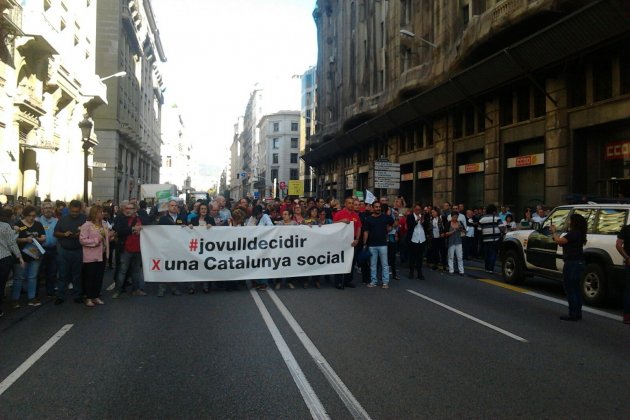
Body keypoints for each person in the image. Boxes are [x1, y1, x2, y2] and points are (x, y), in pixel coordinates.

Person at [551, 214, 587, 321]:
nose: (568, 222)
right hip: (579, 262)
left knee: (570, 289)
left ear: (573, 222)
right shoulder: (579, 234)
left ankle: (573, 313)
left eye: (570, 220)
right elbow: (563, 243)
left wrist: (554, 231)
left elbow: (560, 241)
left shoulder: (572, 234)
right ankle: (577, 313)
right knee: (576, 289)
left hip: (572, 263)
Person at [11, 205, 46, 308]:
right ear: (24, 216)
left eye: (34, 216)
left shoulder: (38, 225)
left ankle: (31, 297)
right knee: (18, 277)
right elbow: (13, 239)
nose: (32, 218)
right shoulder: (18, 225)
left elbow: (43, 237)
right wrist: (25, 240)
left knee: (32, 277)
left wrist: (37, 239)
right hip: (20, 255)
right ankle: (15, 299)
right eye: (29, 216)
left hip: (34, 255)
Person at [79, 205, 109, 307]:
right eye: (101, 212)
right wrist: (96, 241)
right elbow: (82, 240)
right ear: (95, 214)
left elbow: (105, 237)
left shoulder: (104, 224)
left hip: (102, 253)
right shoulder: (86, 225)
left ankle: (96, 296)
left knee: (99, 276)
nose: (103, 214)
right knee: (90, 276)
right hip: (91, 255)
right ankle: (88, 297)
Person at [157, 200, 184, 297]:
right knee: (164, 267)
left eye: (176, 206)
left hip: (177, 247)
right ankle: (162, 288)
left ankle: (174, 287)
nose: (174, 207)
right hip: (166, 247)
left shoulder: (182, 218)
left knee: (175, 267)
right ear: (168, 207)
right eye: (172, 205)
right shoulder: (163, 219)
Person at [363, 201, 393, 289]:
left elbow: (393, 223)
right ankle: (373, 281)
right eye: (376, 207)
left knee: (385, 264)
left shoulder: (385, 217)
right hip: (372, 245)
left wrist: (390, 228)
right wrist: (364, 243)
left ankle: (385, 282)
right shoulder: (368, 219)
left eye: (379, 207)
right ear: (372, 208)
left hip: (383, 244)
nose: (378, 208)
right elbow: (366, 232)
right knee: (373, 265)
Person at [0, 209, 25, 316]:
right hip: (4, 258)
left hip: (4, 258)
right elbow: (12, 243)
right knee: (1, 283)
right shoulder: (4, 226)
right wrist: (20, 257)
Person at [333, 197, 361, 289]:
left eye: (352, 203)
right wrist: (342, 221)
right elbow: (333, 224)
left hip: (352, 242)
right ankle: (338, 282)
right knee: (340, 261)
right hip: (341, 242)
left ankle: (347, 281)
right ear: (345, 204)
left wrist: (357, 239)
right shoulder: (339, 213)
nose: (351, 205)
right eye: (349, 203)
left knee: (351, 262)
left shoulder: (356, 215)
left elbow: (359, 227)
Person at [38, 201, 58, 297]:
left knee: (52, 272)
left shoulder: (56, 221)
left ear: (53, 210)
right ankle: (35, 294)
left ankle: (50, 292)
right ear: (42, 210)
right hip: (40, 249)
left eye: (50, 208)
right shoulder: (37, 221)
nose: (48, 210)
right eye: (46, 208)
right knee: (38, 271)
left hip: (54, 250)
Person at [406, 204, 427, 280]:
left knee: (420, 257)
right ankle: (411, 272)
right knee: (412, 257)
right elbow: (409, 226)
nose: (418, 211)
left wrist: (423, 222)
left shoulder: (423, 216)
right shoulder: (410, 217)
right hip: (413, 239)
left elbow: (426, 227)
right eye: (417, 209)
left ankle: (419, 273)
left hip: (421, 239)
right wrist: (416, 221)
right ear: (414, 209)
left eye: (419, 209)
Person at [479, 204, 502, 273]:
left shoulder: (482, 219)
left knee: (487, 254)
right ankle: (491, 269)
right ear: (494, 211)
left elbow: (479, 229)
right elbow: (502, 227)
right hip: (495, 239)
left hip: (485, 239)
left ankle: (486, 268)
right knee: (493, 253)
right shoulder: (497, 218)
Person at [615, 224, 630, 324]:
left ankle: (627, 317)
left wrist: (627, 257)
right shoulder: (626, 228)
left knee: (629, 290)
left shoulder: (626, 228)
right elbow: (618, 245)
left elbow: (618, 245)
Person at [444, 210, 465, 275]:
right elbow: (445, 233)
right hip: (451, 242)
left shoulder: (460, 223)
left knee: (460, 257)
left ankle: (461, 271)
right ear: (451, 217)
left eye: (456, 217)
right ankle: (451, 270)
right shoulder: (448, 223)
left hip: (459, 241)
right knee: (451, 256)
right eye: (454, 217)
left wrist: (461, 229)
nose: (455, 218)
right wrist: (453, 231)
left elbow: (464, 232)